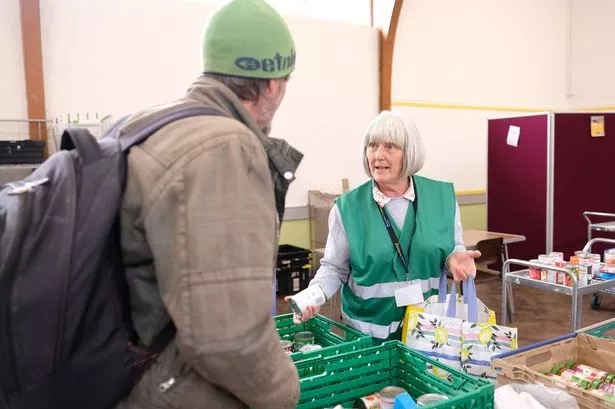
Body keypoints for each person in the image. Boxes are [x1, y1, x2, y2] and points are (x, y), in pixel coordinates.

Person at [116, 1, 302, 408]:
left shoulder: (146, 124)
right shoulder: (225, 147)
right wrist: (284, 392)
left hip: (121, 373)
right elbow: (229, 339)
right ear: (272, 83)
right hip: (170, 390)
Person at [290, 111, 480, 342]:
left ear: (409, 152)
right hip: (367, 335)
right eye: (372, 146)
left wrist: (453, 258)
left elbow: (453, 247)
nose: (378, 155)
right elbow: (334, 268)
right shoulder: (347, 208)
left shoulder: (442, 199)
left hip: (427, 333)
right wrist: (313, 296)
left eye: (390, 147)